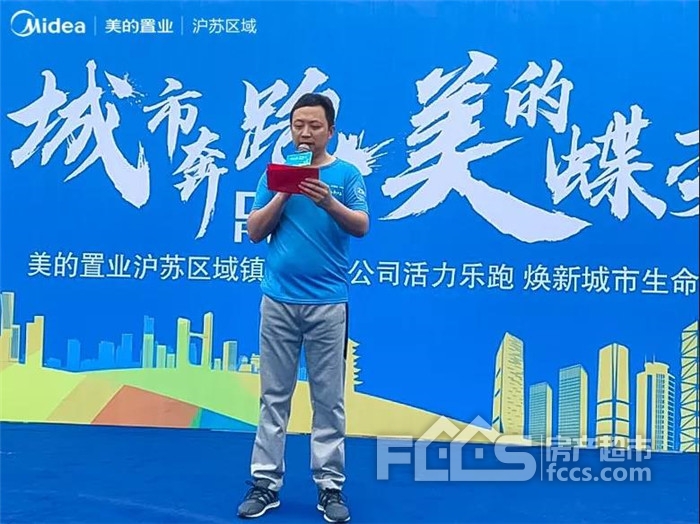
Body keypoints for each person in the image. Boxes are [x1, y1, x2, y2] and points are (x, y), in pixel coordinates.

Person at [236, 92, 369, 523]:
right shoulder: (275, 175)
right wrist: (283, 193)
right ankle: (265, 483)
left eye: (314, 126)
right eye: (298, 125)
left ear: (331, 131)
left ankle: (330, 486)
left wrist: (328, 201)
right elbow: (254, 231)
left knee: (328, 400)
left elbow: (362, 225)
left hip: (328, 305)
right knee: (273, 397)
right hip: (278, 300)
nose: (305, 133)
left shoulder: (346, 175)